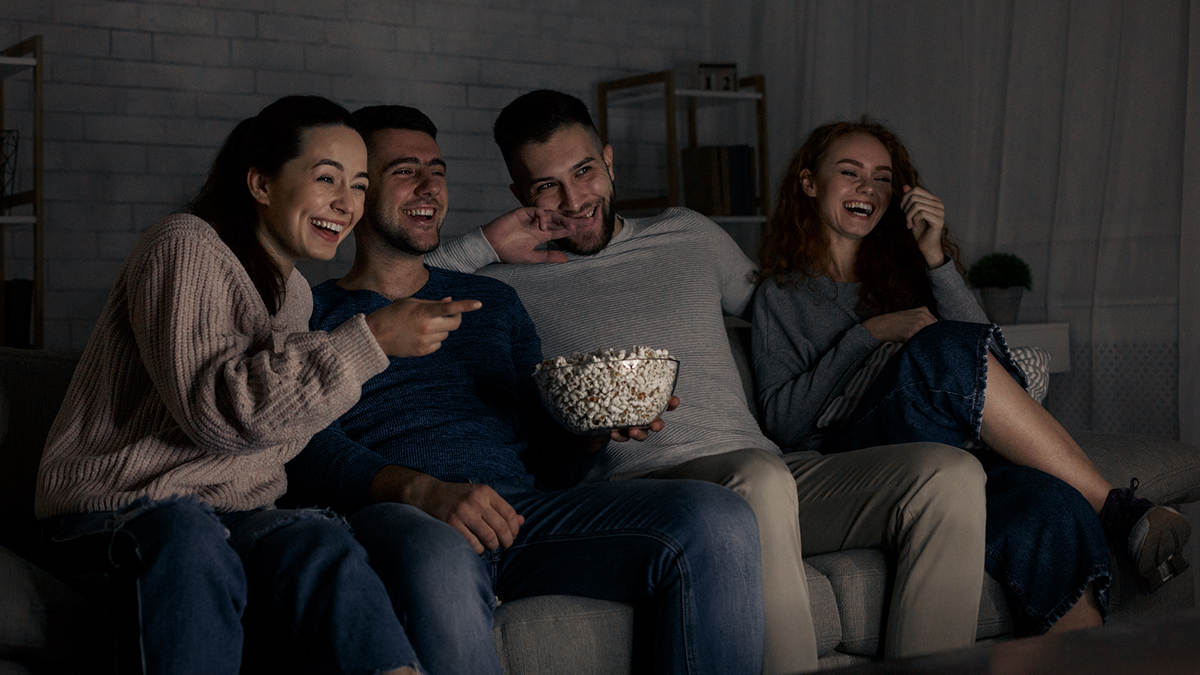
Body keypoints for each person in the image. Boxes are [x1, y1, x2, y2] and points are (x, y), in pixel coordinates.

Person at [426, 89, 990, 671]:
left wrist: (932, 269)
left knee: (948, 475)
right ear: (521, 195)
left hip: (769, 466)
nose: (574, 200)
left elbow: (799, 311)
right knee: (760, 478)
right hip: (647, 489)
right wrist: (488, 244)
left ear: (610, 162)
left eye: (585, 171)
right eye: (547, 186)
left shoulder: (689, 234)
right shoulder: (507, 283)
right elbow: (391, 288)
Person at [284, 104, 766, 675]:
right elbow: (300, 446)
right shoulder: (313, 311)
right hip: (404, 518)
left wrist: (587, 432)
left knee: (718, 518)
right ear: (358, 192)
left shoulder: (495, 304)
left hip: (524, 515)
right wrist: (424, 491)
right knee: (438, 553)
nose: (429, 186)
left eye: (436, 170)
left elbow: (550, 463)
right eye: (404, 170)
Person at [34, 95, 450, 675]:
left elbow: (278, 432)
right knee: (186, 534)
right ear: (261, 183)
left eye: (358, 185)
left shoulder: (296, 294)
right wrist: (370, 341)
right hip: (118, 514)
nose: (346, 203)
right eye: (326, 178)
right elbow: (217, 415)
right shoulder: (184, 243)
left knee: (318, 541)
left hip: (228, 519)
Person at [751, 118, 1191, 635]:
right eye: (850, 173)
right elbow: (783, 421)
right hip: (858, 451)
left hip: (951, 451)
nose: (868, 188)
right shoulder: (781, 296)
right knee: (936, 345)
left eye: (883, 178)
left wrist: (935, 255)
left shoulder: (906, 275)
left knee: (1052, 505)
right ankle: (1118, 509)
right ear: (809, 184)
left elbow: (989, 363)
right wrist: (871, 333)